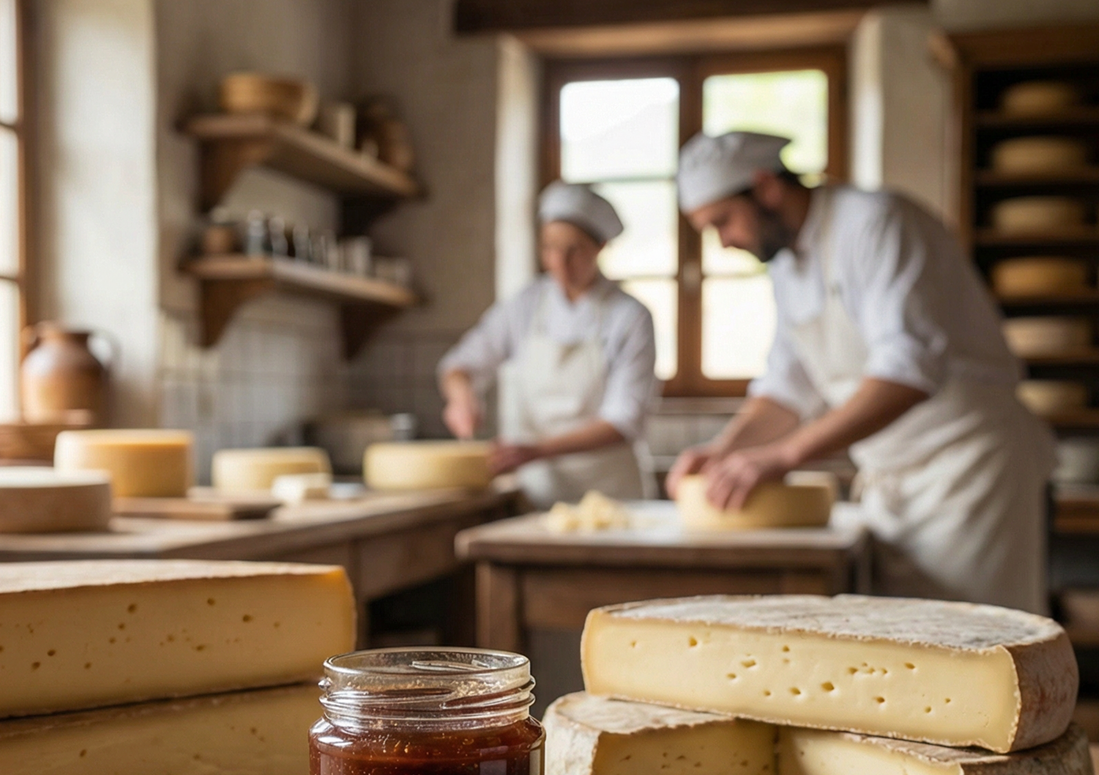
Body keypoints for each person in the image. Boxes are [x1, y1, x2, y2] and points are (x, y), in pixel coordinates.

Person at [667, 131, 1053, 614]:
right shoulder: (787, 265)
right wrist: (726, 449)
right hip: (891, 476)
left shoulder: (876, 223)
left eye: (723, 221)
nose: (724, 242)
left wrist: (783, 456)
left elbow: (908, 370)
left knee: (978, 645)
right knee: (907, 651)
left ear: (765, 187)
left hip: (966, 469)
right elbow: (789, 384)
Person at [438, 181, 658, 508]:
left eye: (574, 250)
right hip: (539, 492)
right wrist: (462, 398)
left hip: (612, 493)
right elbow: (459, 365)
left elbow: (623, 420)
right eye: (550, 247)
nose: (560, 262)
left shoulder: (629, 317)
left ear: (600, 246)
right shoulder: (526, 305)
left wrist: (536, 450)